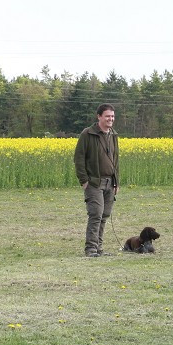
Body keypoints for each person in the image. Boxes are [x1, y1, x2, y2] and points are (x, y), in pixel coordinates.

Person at [74, 104, 119, 257]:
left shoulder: (113, 135)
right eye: (107, 116)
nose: (110, 119)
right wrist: (84, 180)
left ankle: (99, 248)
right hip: (94, 183)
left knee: (105, 215)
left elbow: (115, 160)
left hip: (109, 183)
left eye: (112, 116)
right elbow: (79, 158)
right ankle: (91, 249)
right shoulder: (88, 134)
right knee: (96, 214)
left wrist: (116, 182)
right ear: (99, 116)